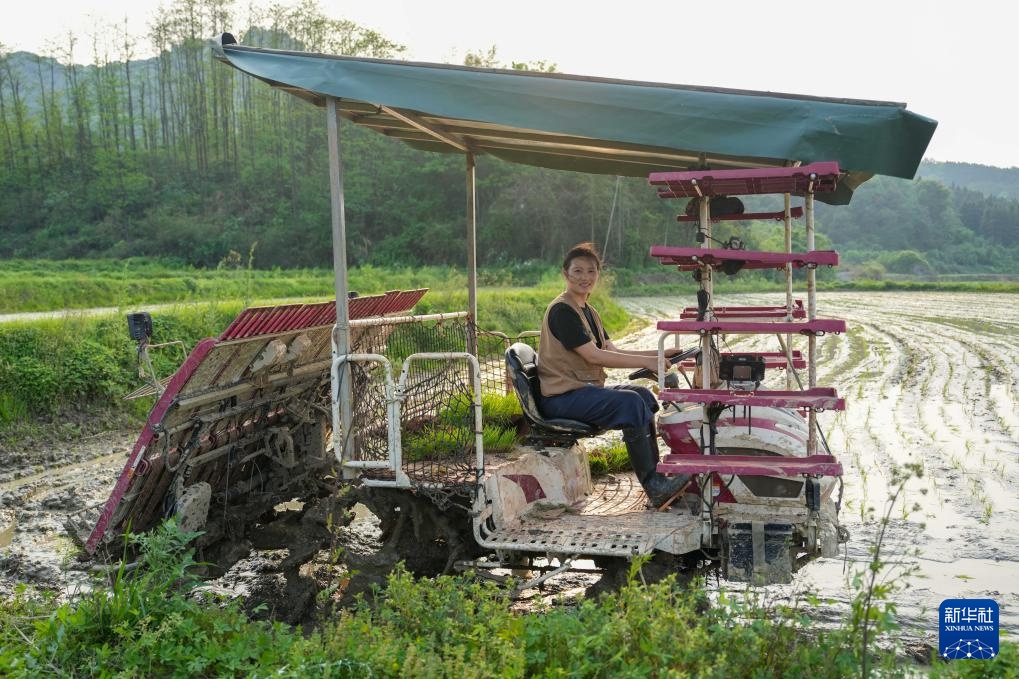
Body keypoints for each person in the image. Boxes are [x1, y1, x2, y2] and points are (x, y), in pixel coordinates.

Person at [537, 242, 690, 506]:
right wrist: (653, 363)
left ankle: (658, 476)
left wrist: (659, 354)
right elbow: (594, 356)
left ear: (598, 274)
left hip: (581, 390)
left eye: (591, 271)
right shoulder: (563, 311)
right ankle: (654, 485)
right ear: (565, 273)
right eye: (578, 271)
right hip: (562, 396)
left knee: (641, 395)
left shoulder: (588, 311)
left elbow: (612, 349)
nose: (585, 277)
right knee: (629, 402)